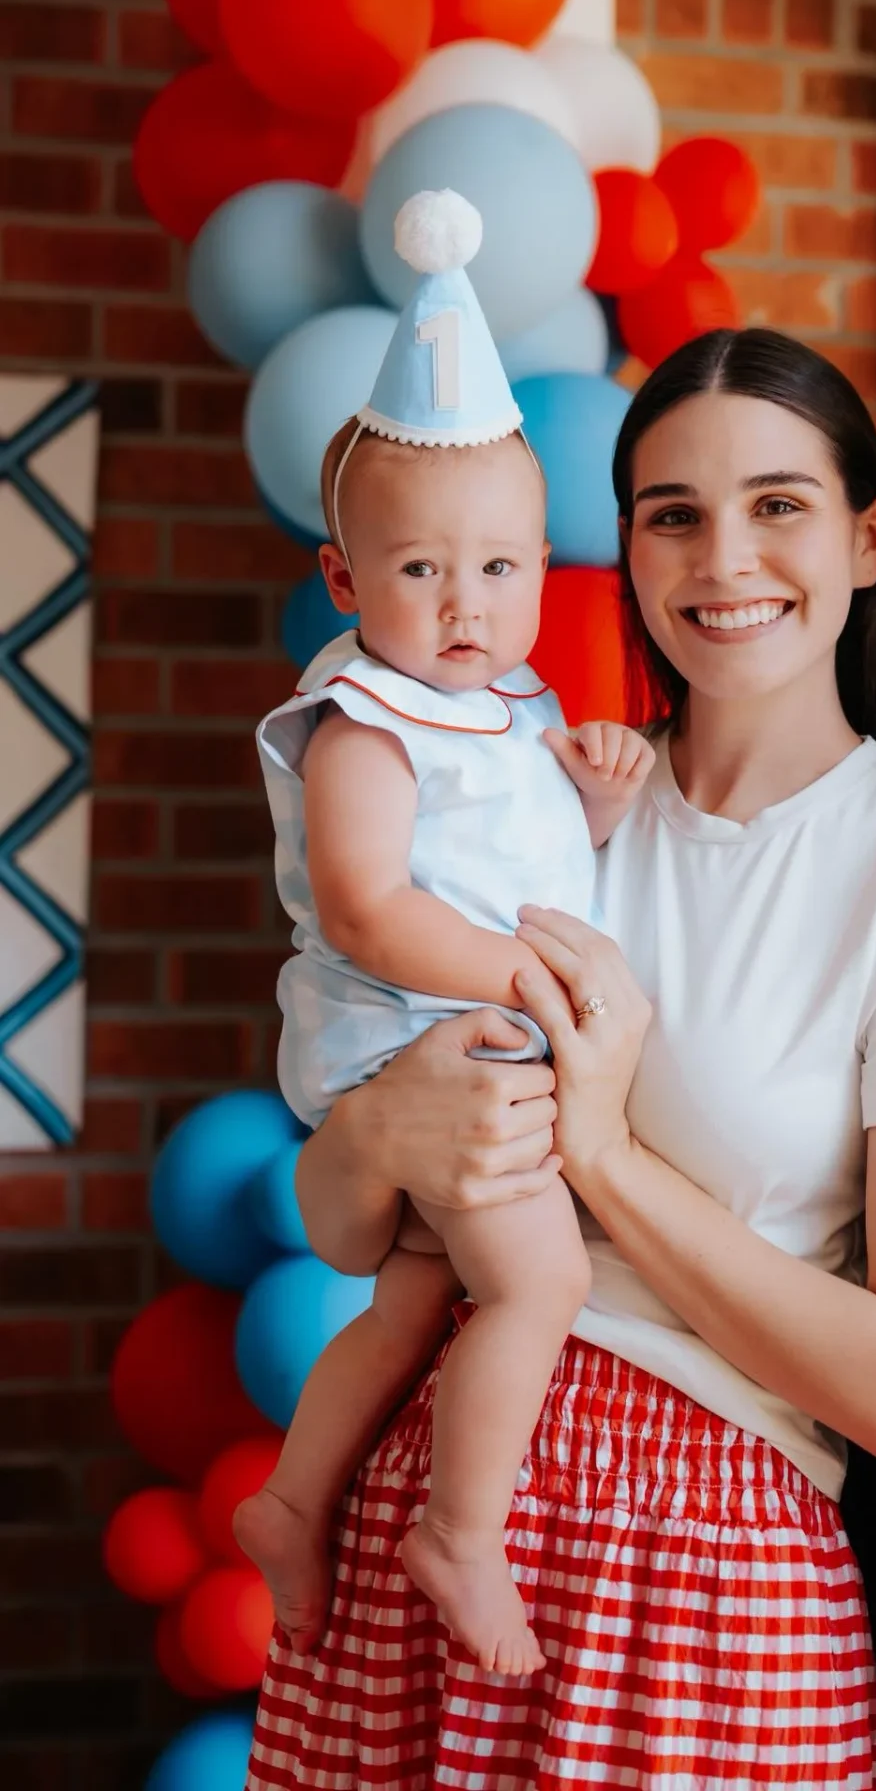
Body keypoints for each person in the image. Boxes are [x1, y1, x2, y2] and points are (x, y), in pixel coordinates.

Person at [244, 325, 876, 1791]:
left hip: (699, 1573)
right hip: (425, 1533)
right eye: (673, 513)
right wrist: (374, 1136)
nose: (723, 557)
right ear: (620, 550)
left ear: (869, 538)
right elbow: (349, 1229)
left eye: (777, 505)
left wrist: (602, 1155)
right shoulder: (547, 803)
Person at [234, 190, 654, 1679]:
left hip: (470, 1044)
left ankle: (292, 1501)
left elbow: (522, 859)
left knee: (420, 1292)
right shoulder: (361, 719)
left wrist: (594, 815)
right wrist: (530, 977)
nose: (468, 606)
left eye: (503, 568)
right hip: (405, 1043)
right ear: (347, 582)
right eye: (422, 571)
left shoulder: (515, 707)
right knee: (538, 1282)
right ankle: (456, 1536)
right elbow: (371, 905)